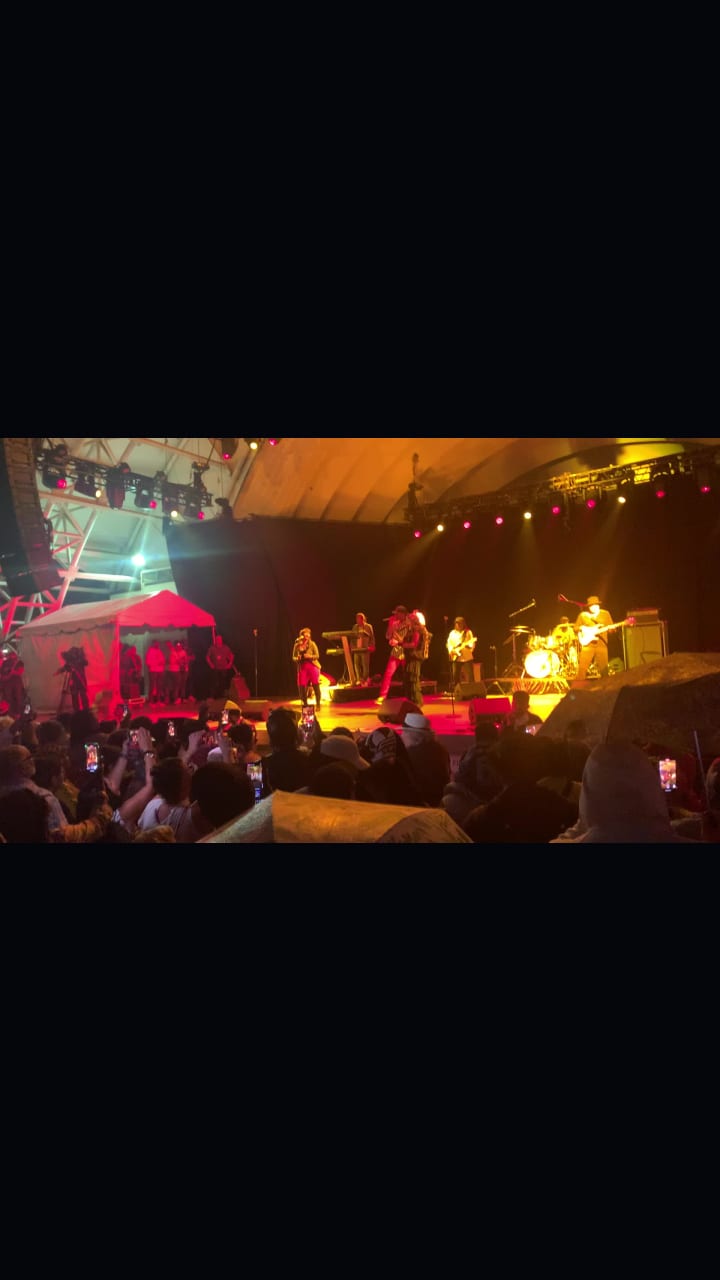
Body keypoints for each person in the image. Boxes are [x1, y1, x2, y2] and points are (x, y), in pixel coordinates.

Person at [375, 606, 412, 704]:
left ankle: (410, 695)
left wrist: (396, 638)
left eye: (397, 613)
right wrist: (390, 625)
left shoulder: (409, 623)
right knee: (388, 673)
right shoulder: (395, 623)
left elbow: (403, 639)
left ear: (403, 613)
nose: (395, 615)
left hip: (406, 651)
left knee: (408, 674)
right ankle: (383, 695)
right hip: (396, 651)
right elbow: (388, 636)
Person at [574, 595, 614, 680]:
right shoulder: (583, 615)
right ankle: (578, 690)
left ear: (599, 605)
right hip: (588, 645)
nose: (593, 607)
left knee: (604, 671)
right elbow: (575, 628)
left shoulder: (605, 614)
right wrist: (583, 628)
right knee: (582, 669)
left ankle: (606, 690)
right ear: (588, 607)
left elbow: (611, 629)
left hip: (602, 645)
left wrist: (612, 629)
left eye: (595, 605)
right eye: (591, 606)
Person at [402, 609, 431, 708]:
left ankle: (417, 702)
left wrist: (402, 644)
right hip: (411, 657)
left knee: (413, 679)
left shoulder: (417, 630)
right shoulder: (411, 630)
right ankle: (411, 701)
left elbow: (414, 644)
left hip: (415, 657)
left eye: (408, 620)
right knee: (408, 679)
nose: (406, 622)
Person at [54, 646, 90, 712]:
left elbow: (85, 662)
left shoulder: (81, 660)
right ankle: (78, 712)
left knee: (82, 695)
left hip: (80, 680)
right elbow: (66, 667)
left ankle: (86, 711)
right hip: (74, 681)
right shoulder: (70, 662)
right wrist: (58, 671)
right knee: (75, 696)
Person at [292, 628, 321, 709]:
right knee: (301, 686)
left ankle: (318, 704)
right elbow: (293, 657)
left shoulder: (312, 644)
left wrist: (310, 656)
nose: (307, 636)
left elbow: (317, 655)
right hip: (302, 667)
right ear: (301, 636)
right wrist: (297, 658)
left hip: (312, 666)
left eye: (308, 634)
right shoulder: (297, 645)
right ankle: (305, 704)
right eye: (305, 634)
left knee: (315, 684)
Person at [446, 617, 477, 687]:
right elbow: (449, 644)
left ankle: (472, 690)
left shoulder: (468, 632)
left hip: (467, 657)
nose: (458, 625)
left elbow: (472, 644)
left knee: (470, 676)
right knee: (456, 676)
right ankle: (457, 691)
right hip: (456, 658)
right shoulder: (452, 633)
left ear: (463, 624)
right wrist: (452, 651)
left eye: (459, 623)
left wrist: (468, 646)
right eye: (456, 623)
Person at [206, 633, 235, 699]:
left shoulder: (225, 647)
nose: (218, 640)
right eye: (217, 639)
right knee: (215, 682)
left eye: (219, 639)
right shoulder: (212, 648)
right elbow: (207, 657)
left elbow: (232, 655)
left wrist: (230, 663)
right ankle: (214, 696)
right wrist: (211, 664)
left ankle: (222, 695)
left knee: (223, 682)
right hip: (215, 668)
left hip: (223, 668)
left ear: (221, 640)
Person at [350, 612, 375, 686]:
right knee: (356, 664)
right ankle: (359, 679)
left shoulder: (368, 626)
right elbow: (352, 637)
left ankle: (365, 680)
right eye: (356, 618)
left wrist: (372, 645)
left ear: (362, 619)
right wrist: (352, 646)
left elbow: (372, 637)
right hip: (356, 649)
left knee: (365, 665)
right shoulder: (355, 627)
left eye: (358, 618)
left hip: (365, 648)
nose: (357, 620)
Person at [0, 648, 26, 717]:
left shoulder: (19, 662)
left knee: (18, 698)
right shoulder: (5, 662)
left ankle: (18, 713)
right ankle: (9, 713)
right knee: (8, 699)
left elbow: (20, 671)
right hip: (7, 683)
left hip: (17, 683)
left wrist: (12, 672)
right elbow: (2, 672)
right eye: (11, 655)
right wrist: (4, 678)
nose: (12, 657)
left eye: (13, 655)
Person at [145, 638, 166, 704]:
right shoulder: (150, 651)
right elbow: (148, 662)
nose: (157, 644)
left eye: (158, 643)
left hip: (160, 670)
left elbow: (163, 659)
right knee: (152, 685)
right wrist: (156, 663)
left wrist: (162, 663)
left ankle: (158, 700)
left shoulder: (159, 651)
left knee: (159, 685)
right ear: (153, 644)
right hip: (153, 670)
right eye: (156, 643)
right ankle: (151, 701)